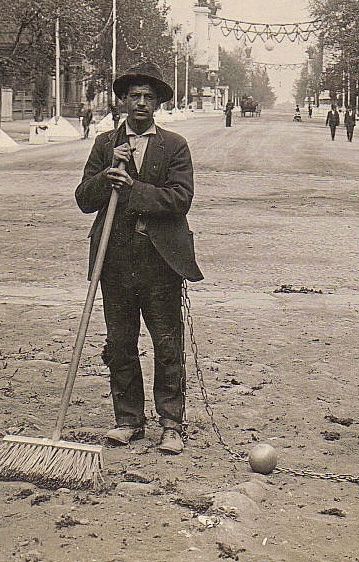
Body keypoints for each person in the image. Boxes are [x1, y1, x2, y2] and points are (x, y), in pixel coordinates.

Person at [75, 61, 203, 455]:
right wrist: (105, 177)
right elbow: (84, 199)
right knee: (120, 343)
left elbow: (180, 199)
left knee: (167, 343)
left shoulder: (174, 146)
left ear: (159, 103)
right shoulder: (103, 145)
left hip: (160, 261)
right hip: (114, 260)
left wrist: (133, 187)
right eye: (134, 96)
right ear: (124, 101)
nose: (141, 103)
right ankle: (128, 419)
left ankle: (170, 423)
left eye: (149, 97)